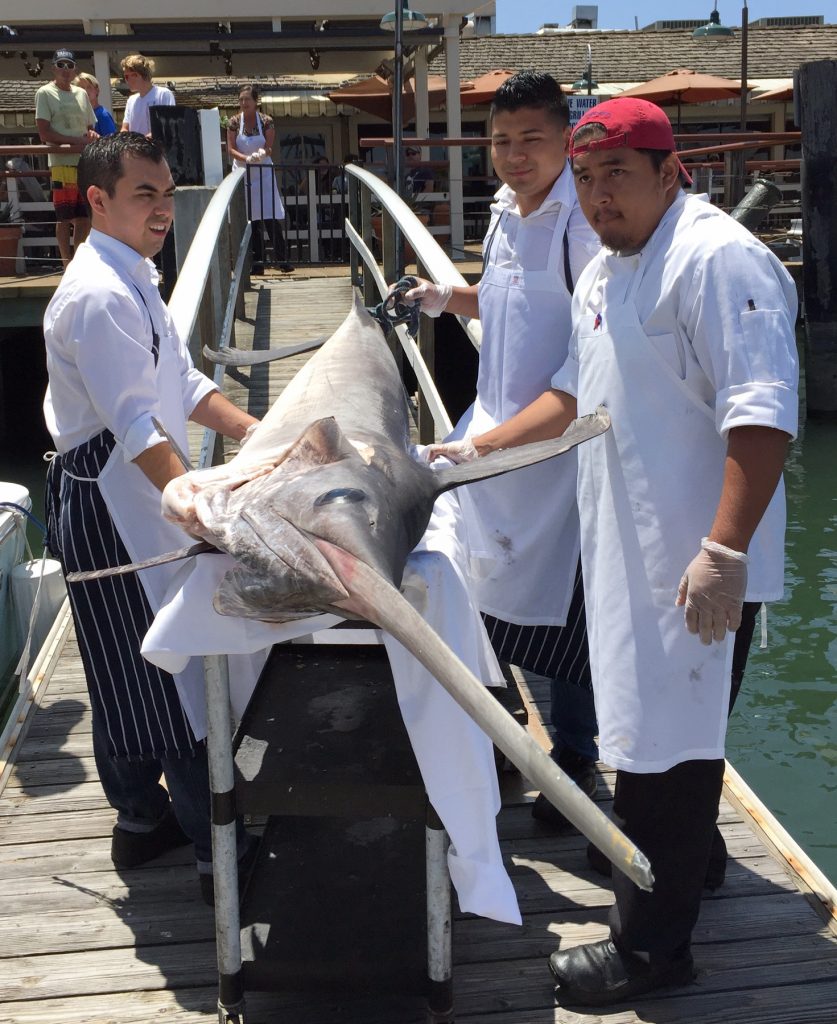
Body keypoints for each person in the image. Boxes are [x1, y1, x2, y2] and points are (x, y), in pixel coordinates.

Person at [431, 97, 798, 1005]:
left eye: (618, 177)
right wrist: (467, 451)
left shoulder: (717, 259)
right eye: (587, 180)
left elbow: (761, 413)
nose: (599, 199)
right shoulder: (606, 273)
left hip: (692, 564)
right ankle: (689, 871)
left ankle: (650, 956)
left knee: (662, 759)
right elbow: (571, 396)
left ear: (671, 172)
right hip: (620, 550)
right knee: (648, 743)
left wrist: (724, 550)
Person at [42, 132, 259, 903]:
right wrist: (197, 504)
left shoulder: (133, 273)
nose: (163, 209)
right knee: (172, 673)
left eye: (167, 194)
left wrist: (253, 433)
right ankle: (212, 853)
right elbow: (136, 423)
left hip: (127, 491)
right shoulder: (99, 293)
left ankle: (139, 824)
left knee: (122, 668)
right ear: (97, 200)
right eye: (144, 195)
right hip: (114, 499)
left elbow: (182, 377)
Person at [397, 71, 602, 822]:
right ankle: (498, 732)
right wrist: (445, 297)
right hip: (488, 429)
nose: (514, 156)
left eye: (531, 140)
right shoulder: (505, 214)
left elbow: (585, 379)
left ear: (564, 140)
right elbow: (506, 297)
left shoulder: (583, 231)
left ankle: (577, 758)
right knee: (479, 583)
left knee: (565, 605)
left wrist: (485, 447)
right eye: (502, 141)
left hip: (556, 448)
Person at [35, 48, 98, 268]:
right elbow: (44, 133)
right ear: (53, 68)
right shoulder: (44, 93)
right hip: (61, 163)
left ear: (75, 70)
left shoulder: (81, 94)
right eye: (60, 65)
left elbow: (90, 126)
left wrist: (89, 136)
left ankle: (78, 262)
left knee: (84, 216)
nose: (65, 69)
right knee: (63, 216)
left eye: (69, 65)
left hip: (83, 161)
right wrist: (74, 141)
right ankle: (65, 262)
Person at [225, 84, 292, 274]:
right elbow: (230, 149)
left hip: (263, 173)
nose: (244, 103)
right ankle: (258, 263)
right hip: (243, 172)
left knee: (270, 217)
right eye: (241, 100)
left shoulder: (266, 121)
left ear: (256, 102)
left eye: (247, 99)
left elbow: (269, 146)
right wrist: (245, 158)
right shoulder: (233, 122)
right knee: (251, 220)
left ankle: (283, 260)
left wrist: (262, 153)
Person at [119, 54, 175, 137]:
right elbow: (125, 128)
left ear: (138, 75)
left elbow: (168, 125)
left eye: (127, 77)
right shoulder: (131, 100)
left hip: (157, 148)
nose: (126, 81)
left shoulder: (163, 94)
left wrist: (144, 142)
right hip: (136, 148)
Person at [74, 72, 117, 138]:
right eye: (81, 88)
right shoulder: (76, 115)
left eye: (89, 87)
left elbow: (112, 143)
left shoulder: (102, 115)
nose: (85, 91)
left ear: (97, 90)